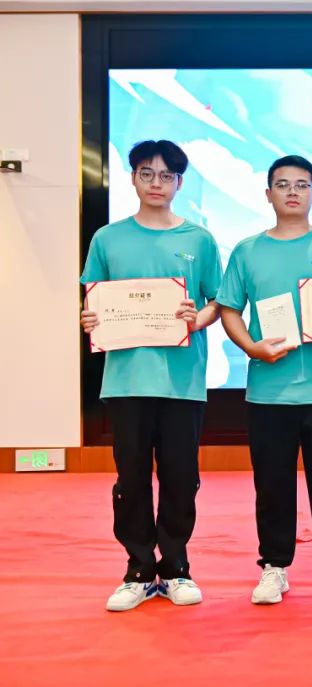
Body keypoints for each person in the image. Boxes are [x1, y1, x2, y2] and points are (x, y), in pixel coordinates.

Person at [80, 139, 222, 611]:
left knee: (181, 477)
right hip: (125, 381)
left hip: (182, 382)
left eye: (166, 176)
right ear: (133, 177)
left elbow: (217, 303)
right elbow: (93, 300)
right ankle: (139, 570)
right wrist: (89, 318)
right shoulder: (108, 239)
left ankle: (176, 567)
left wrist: (196, 319)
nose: (156, 183)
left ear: (179, 182)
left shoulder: (199, 239)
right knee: (132, 478)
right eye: (147, 173)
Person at [218, 155, 312, 605]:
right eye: (282, 184)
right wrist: (251, 347)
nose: (292, 192)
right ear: (268, 194)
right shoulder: (247, 251)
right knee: (272, 484)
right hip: (268, 391)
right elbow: (229, 309)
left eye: (302, 185)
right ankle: (274, 567)